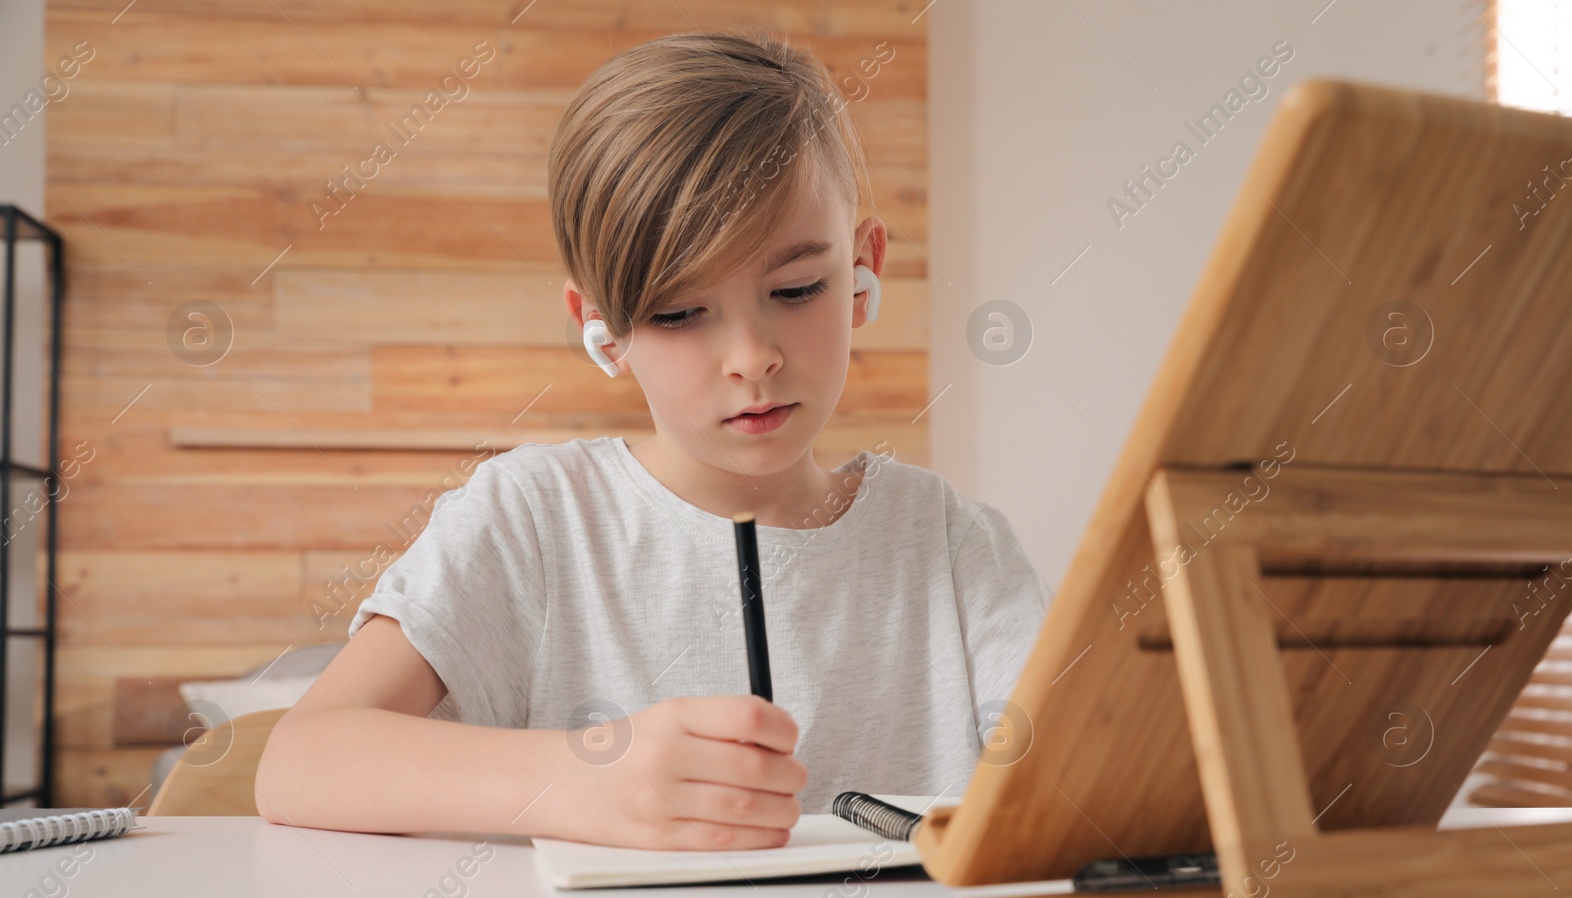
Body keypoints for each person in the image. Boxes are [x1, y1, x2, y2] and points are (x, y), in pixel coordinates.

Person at [255, 28, 1050, 850]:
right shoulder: (533, 519)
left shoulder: (953, 547)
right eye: (677, 313)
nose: (752, 358)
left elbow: (1096, 773)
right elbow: (301, 758)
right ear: (600, 327)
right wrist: (579, 781)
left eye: (797, 287)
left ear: (861, 270)